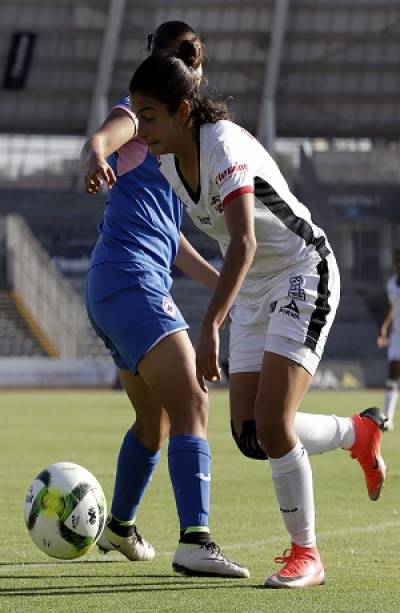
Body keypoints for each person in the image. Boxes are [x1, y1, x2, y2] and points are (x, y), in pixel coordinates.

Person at [128, 40, 387, 589]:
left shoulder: (221, 144)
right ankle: (357, 433)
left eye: (148, 116)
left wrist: (209, 323)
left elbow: (243, 241)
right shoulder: (168, 160)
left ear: (181, 111)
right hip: (252, 287)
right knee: (251, 434)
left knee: (272, 424)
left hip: (301, 267)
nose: (139, 127)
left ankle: (307, 555)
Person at [81, 21, 249, 579]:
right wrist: (96, 153)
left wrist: (218, 279)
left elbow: (170, 239)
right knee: (194, 405)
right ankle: (195, 540)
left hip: (111, 287)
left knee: (151, 422)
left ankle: (120, 527)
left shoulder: (173, 144)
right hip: (132, 282)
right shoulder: (143, 113)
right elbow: (104, 136)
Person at [377, 248, 400, 431]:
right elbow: (392, 307)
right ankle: (388, 417)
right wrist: (384, 328)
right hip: (397, 336)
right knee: (392, 374)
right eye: (397, 261)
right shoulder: (391, 284)